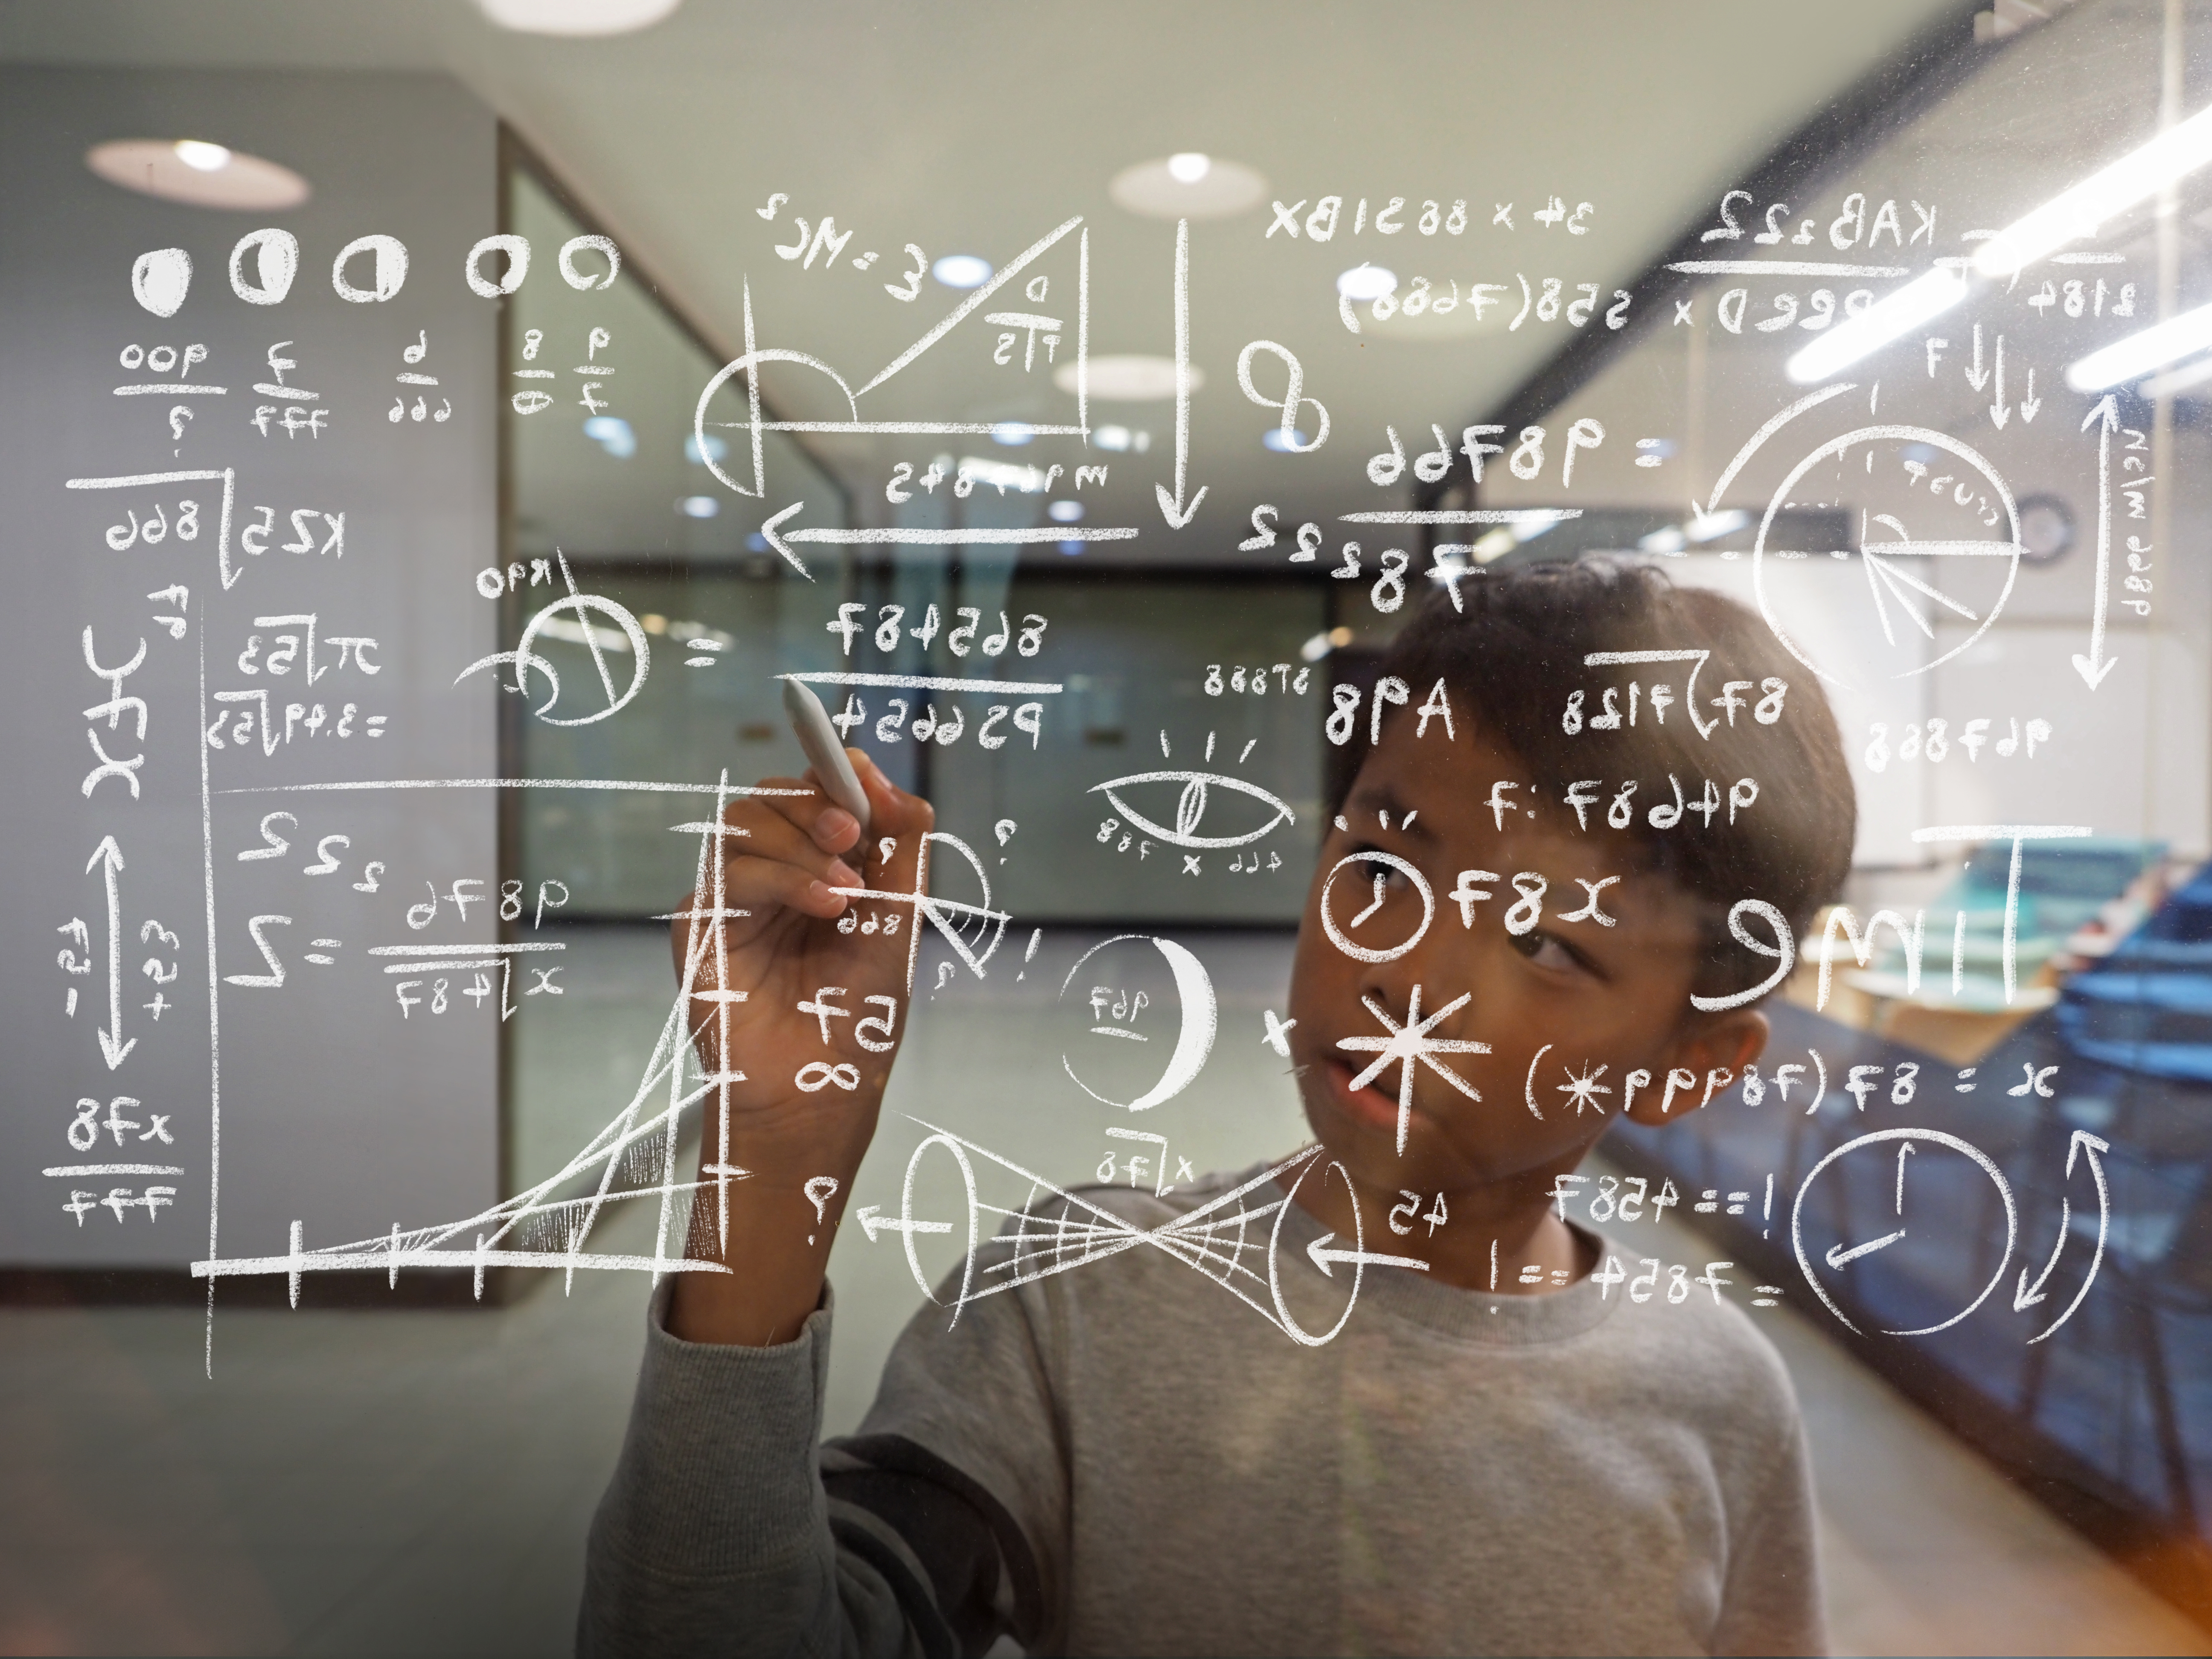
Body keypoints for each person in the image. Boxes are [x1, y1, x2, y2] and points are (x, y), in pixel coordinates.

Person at [579, 558, 1854, 1656]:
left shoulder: (1721, 1402)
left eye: (1547, 940)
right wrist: (773, 1152)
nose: (1400, 966)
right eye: (1383, 857)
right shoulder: (1074, 1306)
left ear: (1691, 1062)